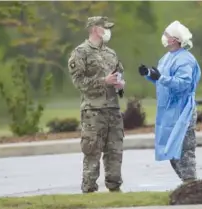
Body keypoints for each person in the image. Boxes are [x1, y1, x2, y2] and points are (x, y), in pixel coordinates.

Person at [138, 20, 201, 183]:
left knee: (184, 149)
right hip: (168, 110)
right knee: (171, 150)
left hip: (182, 110)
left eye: (166, 34)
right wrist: (150, 74)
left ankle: (191, 185)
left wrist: (161, 77)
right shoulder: (166, 58)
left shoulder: (185, 59)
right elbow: (162, 81)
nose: (164, 37)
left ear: (174, 39)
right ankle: (187, 184)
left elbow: (184, 84)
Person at [68, 16, 125, 193]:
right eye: (104, 27)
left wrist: (120, 85)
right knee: (92, 150)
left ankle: (115, 188)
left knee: (115, 150)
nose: (107, 31)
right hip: (93, 110)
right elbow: (78, 82)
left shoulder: (111, 53)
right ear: (94, 28)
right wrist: (103, 81)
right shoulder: (80, 52)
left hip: (113, 109)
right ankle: (89, 190)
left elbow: (120, 75)